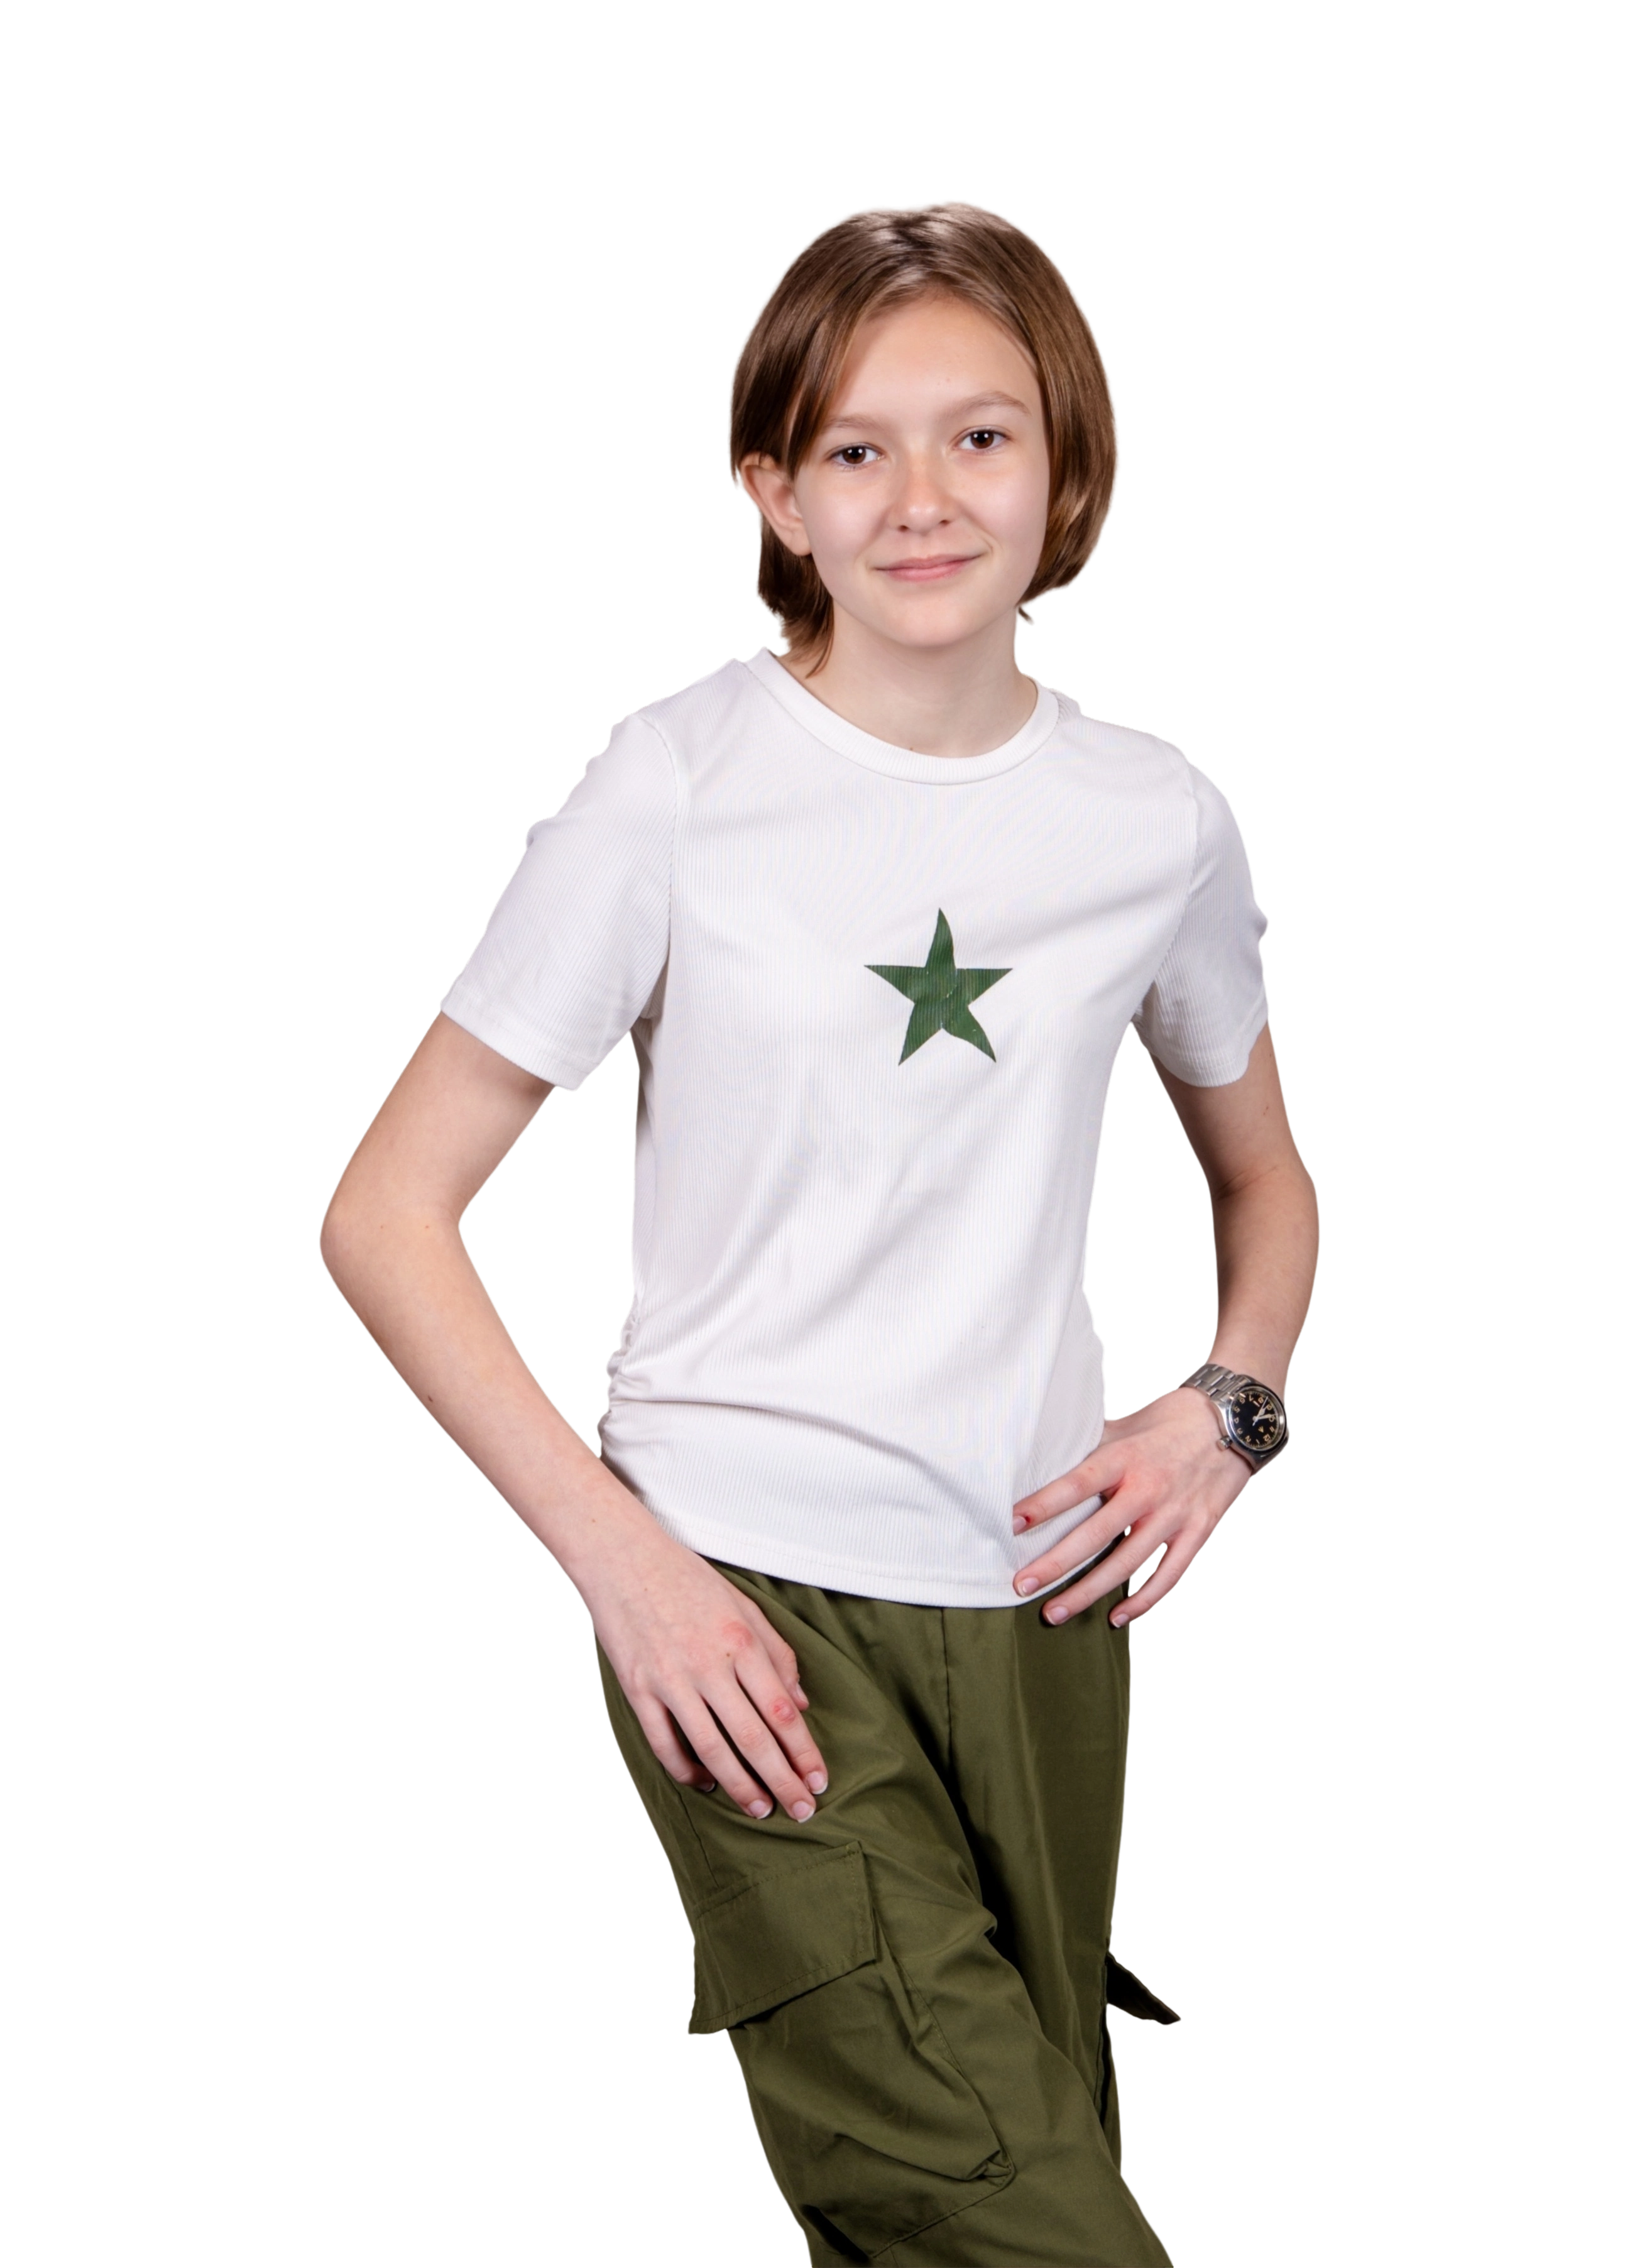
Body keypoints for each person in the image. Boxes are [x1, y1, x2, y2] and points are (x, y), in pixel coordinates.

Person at [318, 198, 1322, 2268]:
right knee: (1021, 2220)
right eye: (857, 447)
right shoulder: (675, 787)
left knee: (1006, 2167)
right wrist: (633, 1574)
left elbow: (1267, 1179)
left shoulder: (1152, 820)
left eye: (979, 435)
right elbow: (386, 1214)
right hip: (751, 1614)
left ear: (1065, 462)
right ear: (772, 492)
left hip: (1043, 1602)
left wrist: (1223, 1412)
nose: (921, 497)